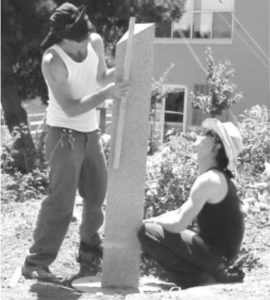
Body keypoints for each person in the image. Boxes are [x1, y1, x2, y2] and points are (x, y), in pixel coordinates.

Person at [22, 2, 130, 282]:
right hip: (63, 135)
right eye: (78, 42)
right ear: (63, 38)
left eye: (87, 38)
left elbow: (101, 77)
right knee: (61, 202)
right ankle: (36, 262)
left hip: (90, 132)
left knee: (96, 194)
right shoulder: (53, 61)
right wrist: (108, 94)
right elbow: (70, 108)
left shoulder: (93, 41)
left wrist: (127, 69)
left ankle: (89, 254)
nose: (85, 45)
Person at [138, 118, 245, 289]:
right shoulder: (215, 177)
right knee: (151, 226)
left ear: (216, 147)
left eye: (208, 134)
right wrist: (154, 219)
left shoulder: (210, 180)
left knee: (147, 231)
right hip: (219, 257)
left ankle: (196, 279)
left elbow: (178, 224)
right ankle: (202, 276)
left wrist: (150, 223)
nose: (200, 135)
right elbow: (180, 212)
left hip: (216, 258)